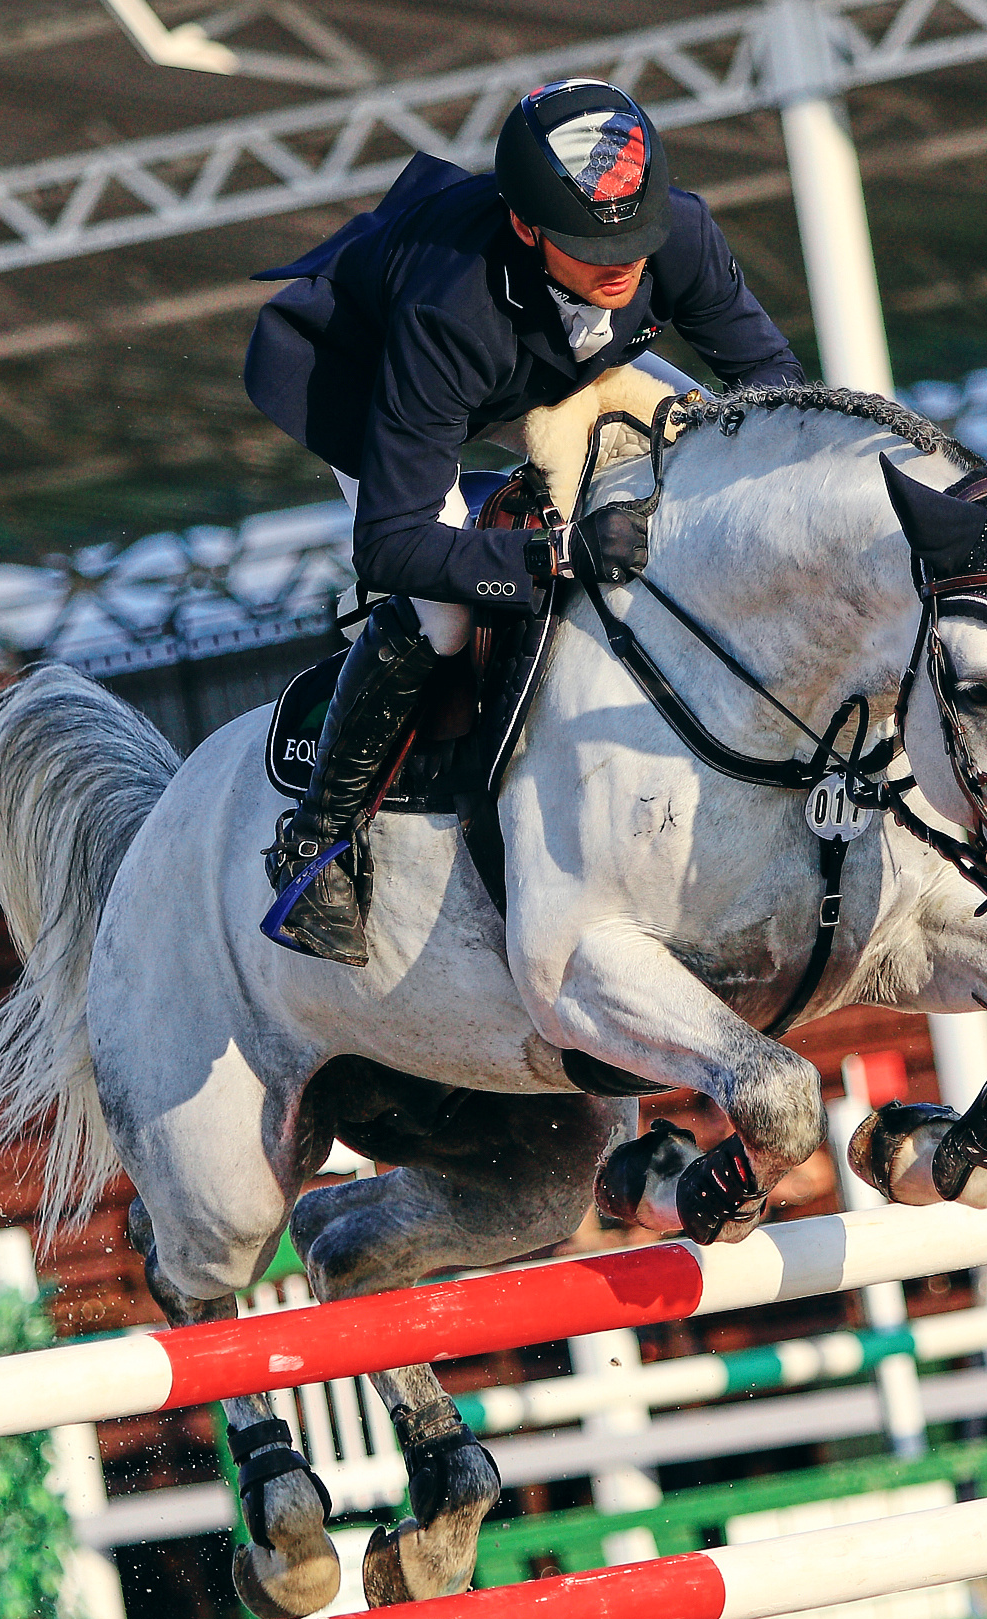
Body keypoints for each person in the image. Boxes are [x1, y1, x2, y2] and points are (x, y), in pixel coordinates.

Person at [242, 78, 805, 964]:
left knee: (716, 449)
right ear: (527, 228)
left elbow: (771, 384)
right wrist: (556, 554)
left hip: (547, 366)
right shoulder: (448, 311)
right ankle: (316, 845)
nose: (623, 265)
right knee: (445, 611)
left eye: (638, 235)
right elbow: (392, 545)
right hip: (373, 377)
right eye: (591, 244)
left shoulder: (680, 232)